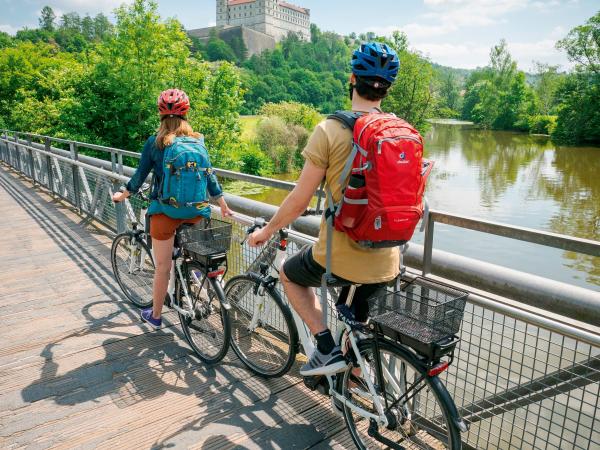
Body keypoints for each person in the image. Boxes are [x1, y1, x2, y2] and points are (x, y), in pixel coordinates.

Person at [248, 43, 401, 376]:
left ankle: (326, 348)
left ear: (351, 79)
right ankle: (358, 389)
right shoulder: (400, 133)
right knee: (357, 324)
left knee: (289, 274)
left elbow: (299, 201)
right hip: (389, 259)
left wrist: (267, 230)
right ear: (386, 90)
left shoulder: (330, 130)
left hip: (341, 257)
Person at [112, 88, 233, 329]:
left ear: (160, 115)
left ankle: (156, 317)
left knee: (163, 267)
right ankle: (196, 275)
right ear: (186, 114)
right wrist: (222, 204)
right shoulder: (198, 141)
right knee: (196, 253)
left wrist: (122, 194)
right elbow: (209, 176)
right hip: (198, 212)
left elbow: (139, 176)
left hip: (166, 213)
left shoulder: (155, 143)